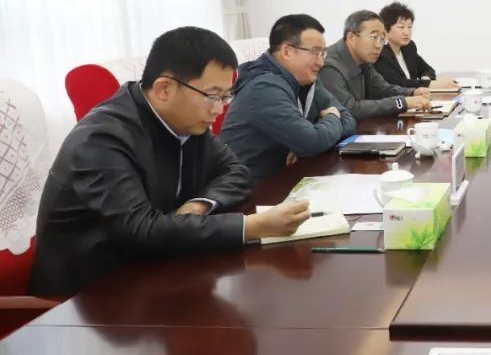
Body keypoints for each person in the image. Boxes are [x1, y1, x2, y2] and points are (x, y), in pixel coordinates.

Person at [30, 26, 310, 297]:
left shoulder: (186, 121)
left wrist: (200, 205)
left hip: (153, 271)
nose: (219, 109)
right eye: (213, 96)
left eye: (226, 97)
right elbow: (141, 230)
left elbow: (236, 172)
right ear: (164, 88)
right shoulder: (101, 139)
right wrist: (251, 227)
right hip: (90, 296)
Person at [220, 14, 357, 182]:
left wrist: (306, 142)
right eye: (315, 52)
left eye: (323, 53)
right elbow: (312, 142)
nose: (321, 62)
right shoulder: (264, 88)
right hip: (251, 187)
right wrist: (331, 117)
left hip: (285, 176)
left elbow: (349, 120)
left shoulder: (307, 79)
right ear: (286, 52)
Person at [321, 9, 432, 118]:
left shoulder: (364, 59)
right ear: (351, 38)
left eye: (382, 39)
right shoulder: (329, 66)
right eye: (374, 37)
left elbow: (383, 89)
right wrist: (402, 102)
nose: (379, 46)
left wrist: (412, 93)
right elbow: (349, 109)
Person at [373, 1, 458, 90]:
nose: (407, 32)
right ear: (385, 29)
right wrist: (429, 84)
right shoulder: (380, 52)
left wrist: (425, 80)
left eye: (410, 27)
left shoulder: (409, 47)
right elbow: (399, 83)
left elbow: (428, 70)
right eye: (401, 27)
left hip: (417, 96)